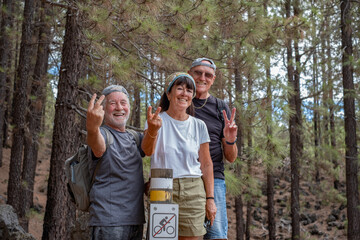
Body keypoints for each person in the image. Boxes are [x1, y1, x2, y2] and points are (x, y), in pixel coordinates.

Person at [144, 72, 217, 240]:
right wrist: (152, 130)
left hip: (193, 189)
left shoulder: (199, 125)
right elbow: (147, 151)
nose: (185, 93)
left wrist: (210, 199)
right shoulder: (156, 121)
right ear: (169, 94)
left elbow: (206, 164)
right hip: (161, 184)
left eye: (189, 90)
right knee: (162, 237)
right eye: (179, 88)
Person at [86, 85, 161, 240]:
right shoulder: (102, 134)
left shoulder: (134, 137)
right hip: (108, 222)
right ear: (104, 109)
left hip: (135, 220)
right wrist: (92, 128)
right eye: (112, 103)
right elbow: (98, 148)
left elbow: (148, 150)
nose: (119, 107)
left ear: (129, 106)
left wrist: (153, 130)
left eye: (123, 103)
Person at [188, 58, 238, 240]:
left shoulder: (220, 107)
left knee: (215, 234)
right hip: (184, 178)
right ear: (189, 74)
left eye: (207, 75)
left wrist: (230, 140)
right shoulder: (180, 102)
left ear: (213, 79)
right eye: (198, 73)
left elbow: (231, 158)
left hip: (214, 179)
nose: (202, 78)